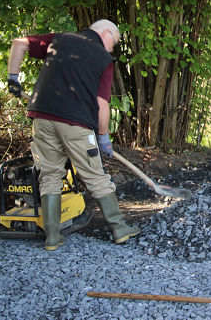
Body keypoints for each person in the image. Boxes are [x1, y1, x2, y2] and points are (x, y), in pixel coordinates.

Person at [7, 19, 140, 251]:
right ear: (106, 34)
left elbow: (19, 43)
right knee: (95, 175)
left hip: (42, 116)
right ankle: (119, 229)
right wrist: (103, 136)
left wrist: (13, 77)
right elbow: (101, 103)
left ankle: (52, 237)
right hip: (75, 122)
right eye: (115, 42)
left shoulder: (59, 39)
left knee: (49, 175)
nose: (112, 48)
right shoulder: (102, 58)